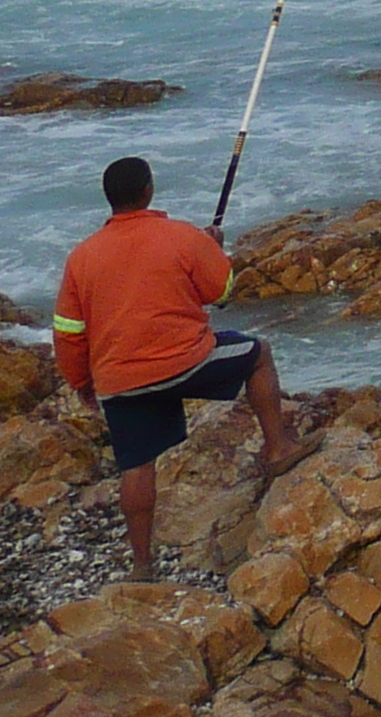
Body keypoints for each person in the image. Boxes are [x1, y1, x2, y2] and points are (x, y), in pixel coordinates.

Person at [50, 154, 304, 579]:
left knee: (136, 465)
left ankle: (143, 565)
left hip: (119, 381)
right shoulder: (180, 236)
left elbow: (68, 332)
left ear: (109, 200)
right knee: (258, 353)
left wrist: (82, 382)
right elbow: (220, 289)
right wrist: (213, 249)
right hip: (186, 363)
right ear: (148, 191)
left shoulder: (81, 257)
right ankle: (278, 448)